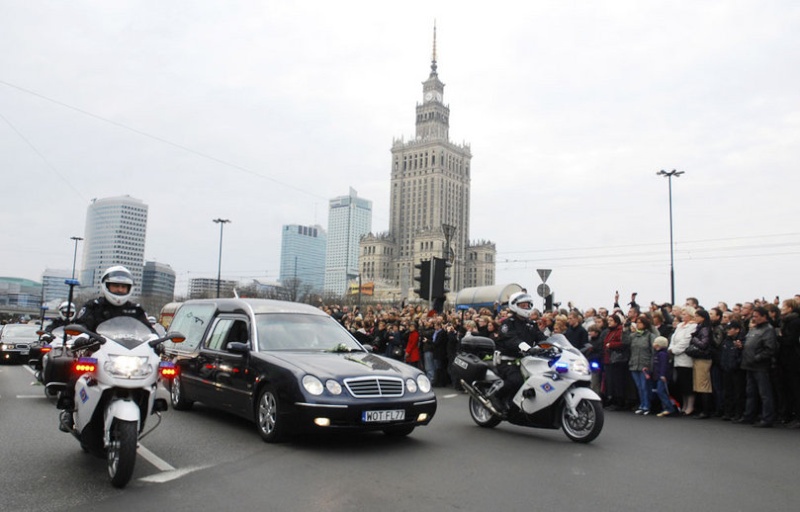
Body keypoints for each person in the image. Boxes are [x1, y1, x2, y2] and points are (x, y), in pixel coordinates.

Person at [58, 266, 155, 431]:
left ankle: (152, 404)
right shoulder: (94, 306)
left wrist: (158, 341)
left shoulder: (136, 310)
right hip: (98, 352)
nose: (119, 289)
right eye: (115, 285)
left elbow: (149, 332)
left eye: (123, 287)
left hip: (129, 356)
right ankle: (69, 409)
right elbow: (82, 325)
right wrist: (81, 337)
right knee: (78, 372)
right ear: (106, 286)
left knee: (153, 374)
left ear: (129, 289)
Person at [492, 292, 547, 415]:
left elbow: (541, 338)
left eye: (528, 305)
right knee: (516, 380)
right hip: (506, 359)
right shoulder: (508, 323)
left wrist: (552, 346)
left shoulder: (531, 324)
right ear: (514, 306)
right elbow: (512, 339)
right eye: (523, 305)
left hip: (524, 360)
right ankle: (496, 396)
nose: (526, 308)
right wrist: (527, 348)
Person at [734, 307, 778, 427]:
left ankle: (767, 418)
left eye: (756, 316)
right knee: (750, 393)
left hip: (760, 366)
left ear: (764, 316)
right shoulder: (754, 329)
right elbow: (750, 345)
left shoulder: (768, 330)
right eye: (753, 316)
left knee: (765, 394)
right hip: (749, 365)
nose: (754, 318)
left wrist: (756, 358)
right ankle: (749, 416)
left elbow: (770, 349)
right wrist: (741, 346)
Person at [668, 306, 697, 415]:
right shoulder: (679, 326)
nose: (683, 316)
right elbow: (673, 339)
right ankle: (684, 405)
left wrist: (674, 350)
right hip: (677, 359)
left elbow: (686, 341)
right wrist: (671, 348)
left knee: (688, 384)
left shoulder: (693, 326)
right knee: (681, 384)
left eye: (685, 314)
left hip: (686, 358)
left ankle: (690, 406)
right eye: (682, 314)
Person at [626, 314, 656, 415]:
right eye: (637, 322)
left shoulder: (650, 336)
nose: (638, 324)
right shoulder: (633, 336)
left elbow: (653, 351)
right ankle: (642, 404)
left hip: (645, 364)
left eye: (640, 323)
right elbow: (625, 342)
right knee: (639, 386)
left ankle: (647, 405)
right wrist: (625, 329)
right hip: (634, 364)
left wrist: (650, 366)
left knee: (645, 386)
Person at [688, 309, 715, 419]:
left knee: (703, 385)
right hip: (699, 358)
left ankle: (705, 410)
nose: (695, 318)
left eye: (697, 316)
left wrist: (693, 338)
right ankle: (703, 409)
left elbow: (704, 344)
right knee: (699, 384)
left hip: (703, 359)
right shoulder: (701, 327)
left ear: (703, 317)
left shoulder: (704, 329)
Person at [652, 336, 678, 417]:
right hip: (658, 375)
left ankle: (669, 408)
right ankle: (665, 408)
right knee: (660, 392)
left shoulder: (663, 354)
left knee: (661, 391)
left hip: (662, 376)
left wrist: (662, 375)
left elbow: (664, 365)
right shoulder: (658, 353)